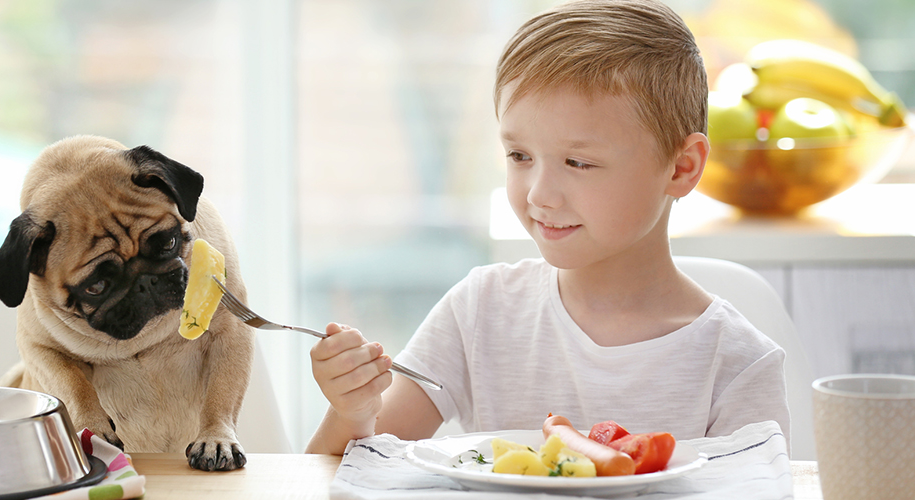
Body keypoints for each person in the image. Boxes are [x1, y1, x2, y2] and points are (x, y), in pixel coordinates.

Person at [304, 0, 790, 456]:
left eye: (577, 162)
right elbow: (342, 471)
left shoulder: (737, 363)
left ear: (681, 168)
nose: (539, 193)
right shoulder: (480, 311)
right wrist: (352, 411)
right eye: (520, 156)